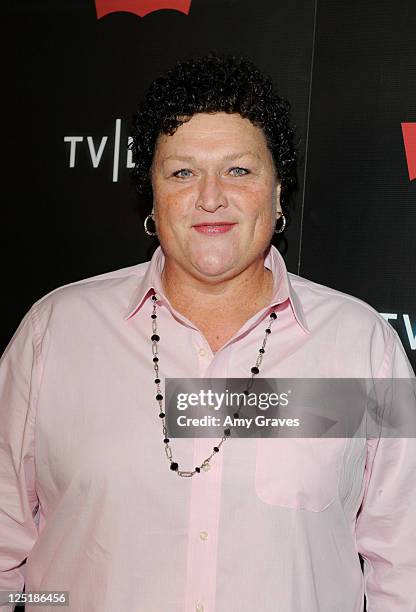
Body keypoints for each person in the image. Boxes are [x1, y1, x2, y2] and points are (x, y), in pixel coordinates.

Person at [0, 53, 415, 612]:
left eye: (239, 170)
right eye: (182, 172)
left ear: (277, 191)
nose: (210, 197)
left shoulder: (361, 347)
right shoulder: (56, 334)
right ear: (152, 193)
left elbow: (403, 566)